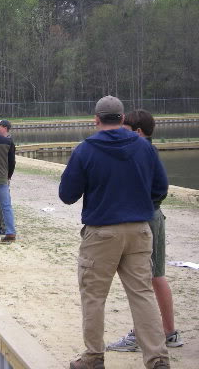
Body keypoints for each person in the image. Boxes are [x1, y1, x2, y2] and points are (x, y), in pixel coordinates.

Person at [59, 96, 170, 369]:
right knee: (142, 293)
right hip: (140, 230)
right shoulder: (145, 148)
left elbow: (67, 195)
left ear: (96, 119)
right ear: (122, 119)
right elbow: (160, 189)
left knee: (94, 296)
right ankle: (157, 359)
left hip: (101, 233)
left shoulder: (85, 150)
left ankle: (94, 357)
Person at [106, 109, 183, 353]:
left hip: (144, 219)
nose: (120, 133)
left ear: (138, 132)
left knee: (140, 282)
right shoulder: (150, 151)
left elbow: (155, 189)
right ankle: (169, 332)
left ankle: (140, 335)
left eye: (125, 129)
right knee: (156, 275)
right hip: (155, 215)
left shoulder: (137, 153)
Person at [0, 119, 14, 234]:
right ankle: (2, 225)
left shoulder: (8, 141)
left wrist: (8, 176)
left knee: (2, 202)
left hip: (3, 177)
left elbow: (12, 162)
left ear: (5, 128)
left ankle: (6, 227)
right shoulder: (0, 140)